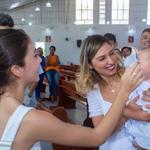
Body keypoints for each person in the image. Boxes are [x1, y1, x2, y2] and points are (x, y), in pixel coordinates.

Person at [0, 29, 143, 150]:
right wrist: (124, 93)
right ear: (17, 70)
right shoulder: (32, 120)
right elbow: (97, 137)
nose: (40, 60)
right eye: (35, 55)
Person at [75, 34, 150, 150]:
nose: (111, 61)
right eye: (102, 58)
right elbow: (101, 133)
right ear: (90, 64)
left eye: (111, 53)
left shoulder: (133, 74)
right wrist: (126, 113)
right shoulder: (93, 91)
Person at [124, 48, 150, 149]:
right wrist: (128, 103)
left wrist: (138, 109)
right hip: (132, 130)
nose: (135, 64)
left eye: (139, 62)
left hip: (145, 135)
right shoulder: (138, 81)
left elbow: (146, 114)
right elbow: (128, 97)